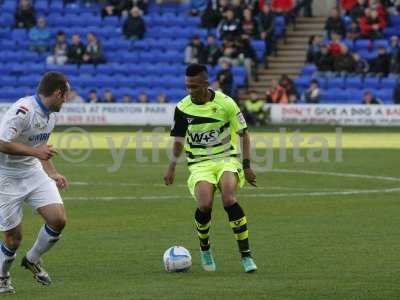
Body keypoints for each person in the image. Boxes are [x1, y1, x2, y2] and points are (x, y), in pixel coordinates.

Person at [163, 63, 257, 273]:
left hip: (227, 159)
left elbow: (244, 133)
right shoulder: (182, 108)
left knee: (229, 198)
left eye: (194, 86)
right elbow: (178, 141)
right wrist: (171, 167)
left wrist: (247, 165)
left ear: (206, 84)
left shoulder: (226, 103)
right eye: (187, 86)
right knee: (204, 204)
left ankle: (246, 256)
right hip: (199, 164)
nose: (190, 91)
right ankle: (205, 249)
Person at [0, 72, 70, 294]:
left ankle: (32, 259)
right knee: (13, 239)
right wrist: (35, 152)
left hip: (32, 172)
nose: (66, 101)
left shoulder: (50, 115)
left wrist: (53, 173)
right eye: (65, 96)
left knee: (58, 219)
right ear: (58, 93)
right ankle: (2, 277)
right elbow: (2, 142)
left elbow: (41, 149)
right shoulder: (23, 111)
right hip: (6, 177)